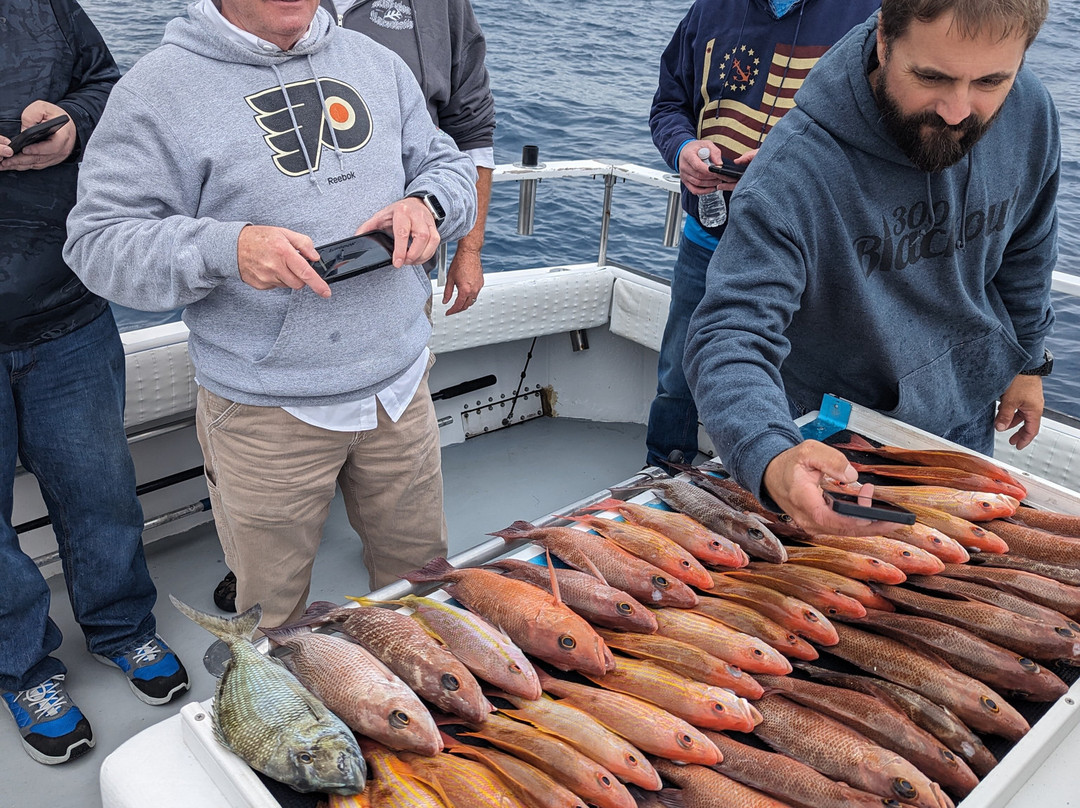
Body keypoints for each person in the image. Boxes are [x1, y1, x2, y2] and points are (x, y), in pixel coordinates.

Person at [63, 0, 479, 631]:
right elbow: (97, 244)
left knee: (421, 586)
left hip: (400, 390)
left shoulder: (377, 63)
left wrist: (428, 204)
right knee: (271, 617)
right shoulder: (155, 89)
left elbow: (449, 165)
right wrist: (225, 248)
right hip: (265, 412)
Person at [684, 0, 1057, 535]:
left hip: (966, 422)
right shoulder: (795, 171)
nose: (957, 109)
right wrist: (773, 459)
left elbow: (1029, 246)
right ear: (885, 37)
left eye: (991, 81)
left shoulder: (1031, 112)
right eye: (932, 77)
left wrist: (1028, 362)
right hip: (832, 443)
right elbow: (729, 331)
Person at [0, 0, 189, 766]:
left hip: (68, 308)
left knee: (100, 489)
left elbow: (107, 84)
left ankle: (123, 630)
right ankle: (23, 669)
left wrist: (74, 123)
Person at [646, 0, 881, 473]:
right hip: (706, 241)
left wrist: (786, 163)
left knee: (791, 389)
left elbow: (881, 137)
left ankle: (775, 493)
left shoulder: (871, 15)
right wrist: (683, 149)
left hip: (803, 258)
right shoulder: (709, 9)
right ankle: (662, 475)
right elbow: (668, 104)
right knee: (678, 374)